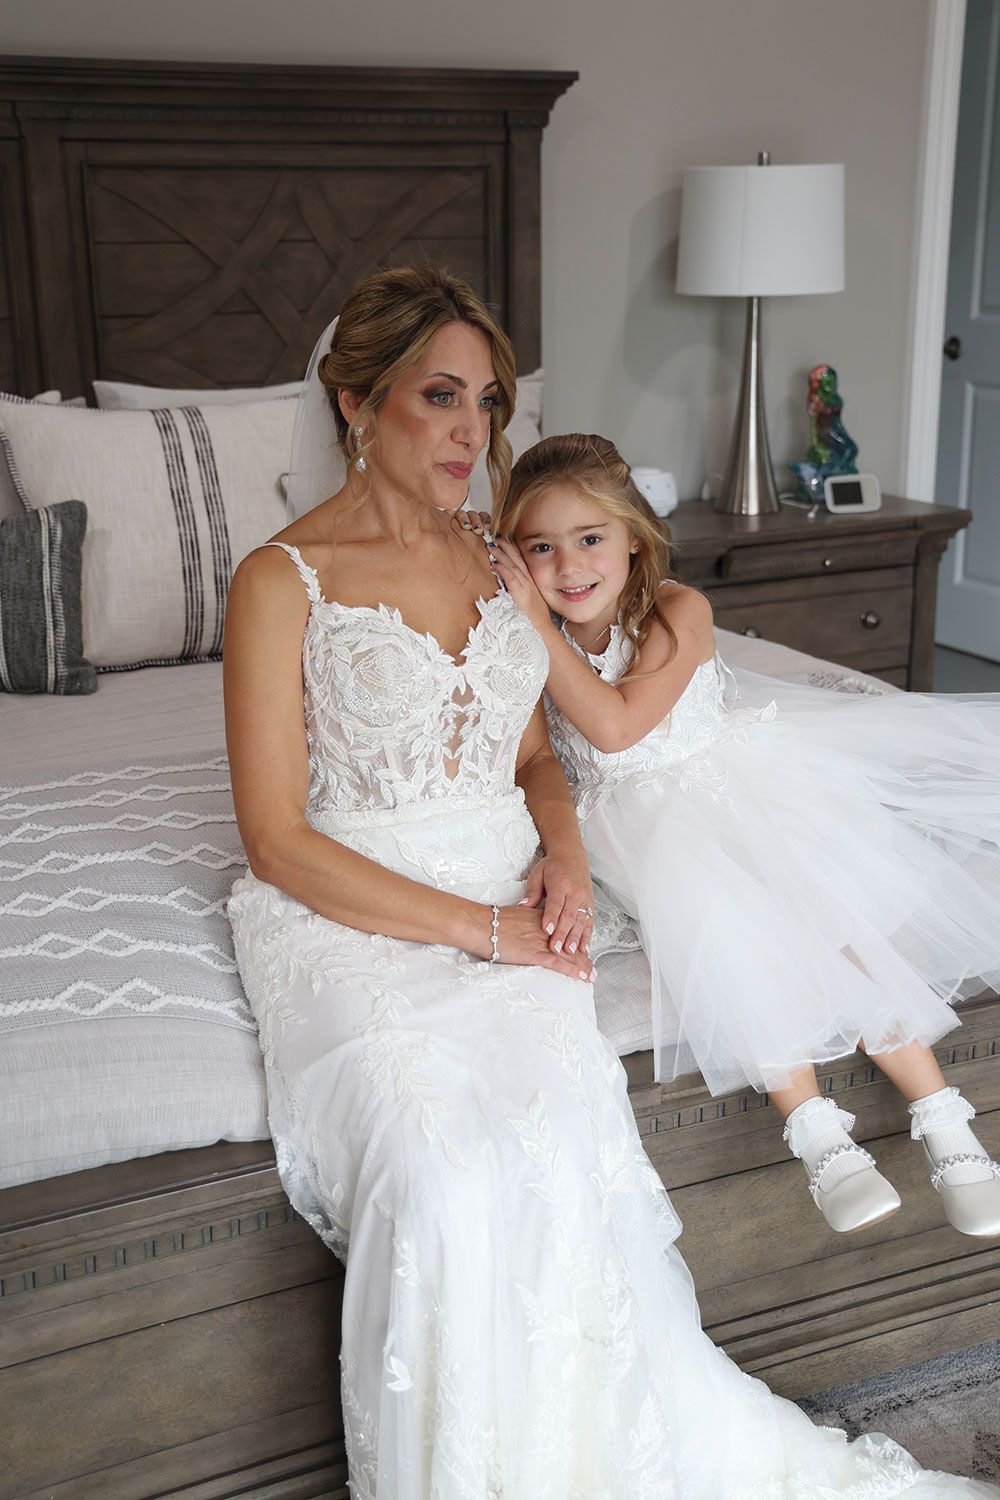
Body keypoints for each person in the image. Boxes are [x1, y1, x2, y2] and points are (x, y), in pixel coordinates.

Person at [225, 269, 999, 1497]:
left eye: (487, 399)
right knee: (437, 1171)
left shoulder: (500, 558)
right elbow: (275, 841)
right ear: (355, 399)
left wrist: (567, 864)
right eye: (440, 397)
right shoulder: (280, 579)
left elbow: (537, 751)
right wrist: (486, 929)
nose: (473, 431)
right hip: (351, 907)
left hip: (512, 889)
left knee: (556, 1136)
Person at [482, 431, 1000, 1241]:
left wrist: (530, 622)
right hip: (637, 830)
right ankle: (818, 1134)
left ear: (633, 539)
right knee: (729, 936)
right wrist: (518, 629)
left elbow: (616, 727)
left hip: (740, 787)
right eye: (539, 548)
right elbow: (536, 756)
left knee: (830, 921)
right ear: (513, 557)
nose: (567, 567)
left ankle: (945, 1121)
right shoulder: (521, 641)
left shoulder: (680, 611)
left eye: (590, 539)